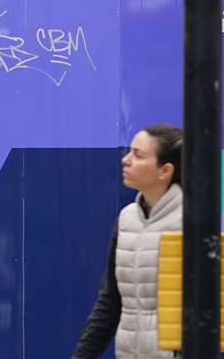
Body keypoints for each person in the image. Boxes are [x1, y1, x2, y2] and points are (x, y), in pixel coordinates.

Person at [73, 124, 185, 358]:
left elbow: (213, 319)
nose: (126, 160)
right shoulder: (126, 219)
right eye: (129, 151)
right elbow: (110, 303)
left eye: (138, 155)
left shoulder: (194, 225)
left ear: (165, 170)